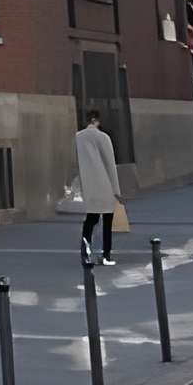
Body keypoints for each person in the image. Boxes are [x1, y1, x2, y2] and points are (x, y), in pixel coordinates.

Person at [75, 107, 121, 266]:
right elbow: (110, 165)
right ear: (97, 120)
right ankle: (106, 254)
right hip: (105, 184)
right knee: (107, 221)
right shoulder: (103, 137)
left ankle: (85, 250)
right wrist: (116, 190)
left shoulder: (78, 137)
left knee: (90, 219)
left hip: (89, 185)